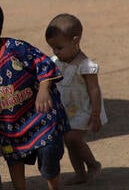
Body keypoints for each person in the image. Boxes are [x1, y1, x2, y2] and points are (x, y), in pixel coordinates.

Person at [0, 0, 70, 190]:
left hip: (41, 118)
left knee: (48, 155)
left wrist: (44, 90)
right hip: (12, 125)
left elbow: (44, 64)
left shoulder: (16, 49)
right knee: (13, 157)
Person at [45, 14, 106, 185]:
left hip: (84, 110)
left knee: (73, 139)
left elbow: (94, 90)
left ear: (75, 40)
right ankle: (80, 173)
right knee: (69, 142)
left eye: (59, 47)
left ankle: (93, 164)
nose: (55, 52)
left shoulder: (86, 66)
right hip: (66, 110)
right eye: (52, 48)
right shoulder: (56, 61)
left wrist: (95, 114)